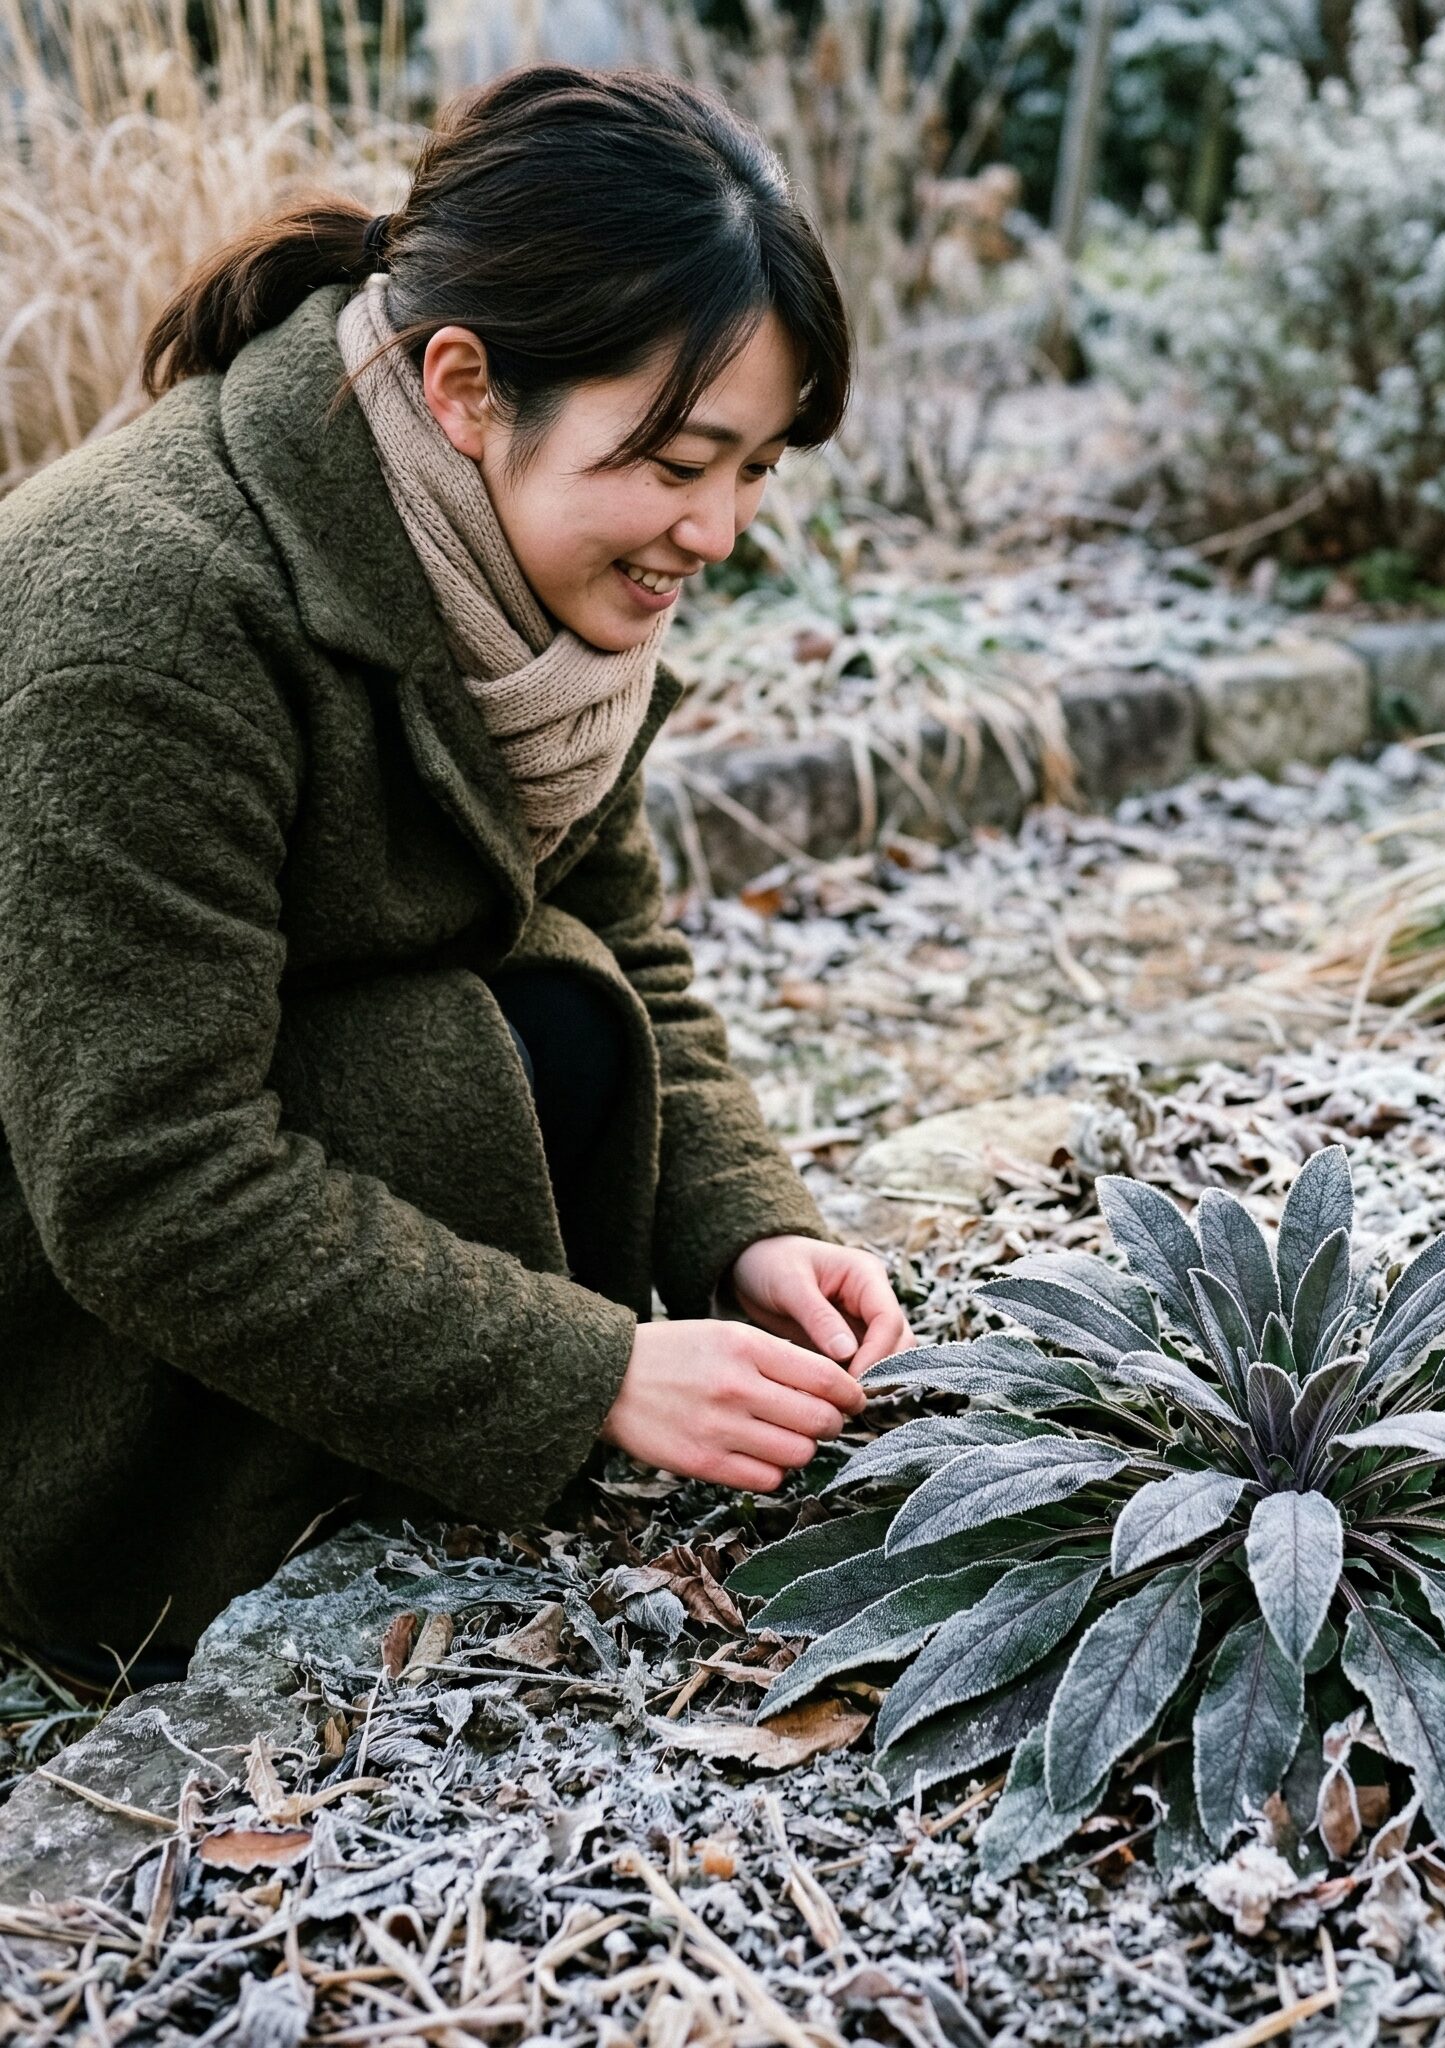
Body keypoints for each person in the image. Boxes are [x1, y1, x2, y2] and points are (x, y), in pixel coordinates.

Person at [0, 65, 910, 1689]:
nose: (716, 530)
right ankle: (221, 1567)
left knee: (548, 994)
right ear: (465, 384)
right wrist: (586, 1374)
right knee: (446, 1053)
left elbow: (621, 931)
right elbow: (140, 1180)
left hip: (245, 1250)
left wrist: (745, 1230)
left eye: (758, 467)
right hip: (58, 1357)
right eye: (677, 460)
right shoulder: (142, 622)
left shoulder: (520, 585)